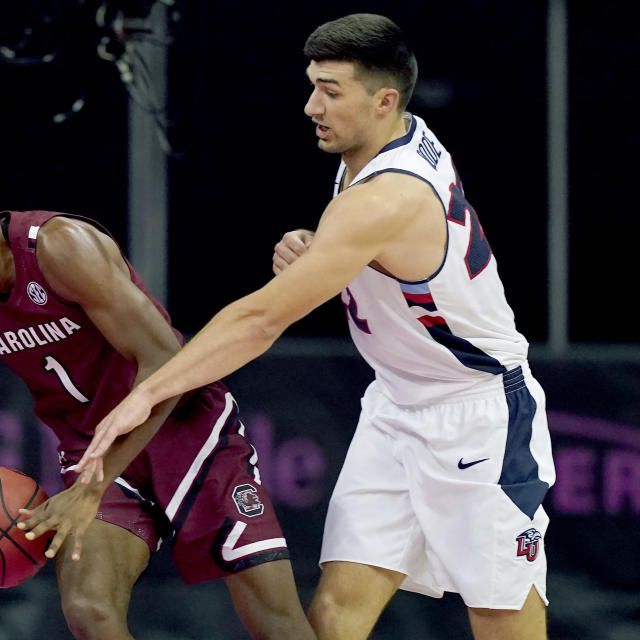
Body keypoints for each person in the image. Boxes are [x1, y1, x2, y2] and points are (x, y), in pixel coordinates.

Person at [52, 13, 556, 640]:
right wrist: (328, 252)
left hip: (479, 412)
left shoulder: (386, 195)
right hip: (396, 406)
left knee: (504, 624)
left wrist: (148, 393)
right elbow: (398, 253)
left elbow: (261, 319)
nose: (311, 105)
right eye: (313, 84)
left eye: (331, 90)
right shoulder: (386, 144)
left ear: (384, 100)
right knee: (334, 617)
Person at [0, 169, 314, 640]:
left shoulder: (59, 247)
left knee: (275, 621)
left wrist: (94, 485)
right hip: (93, 451)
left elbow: (164, 364)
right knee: (88, 608)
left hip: (181, 427)